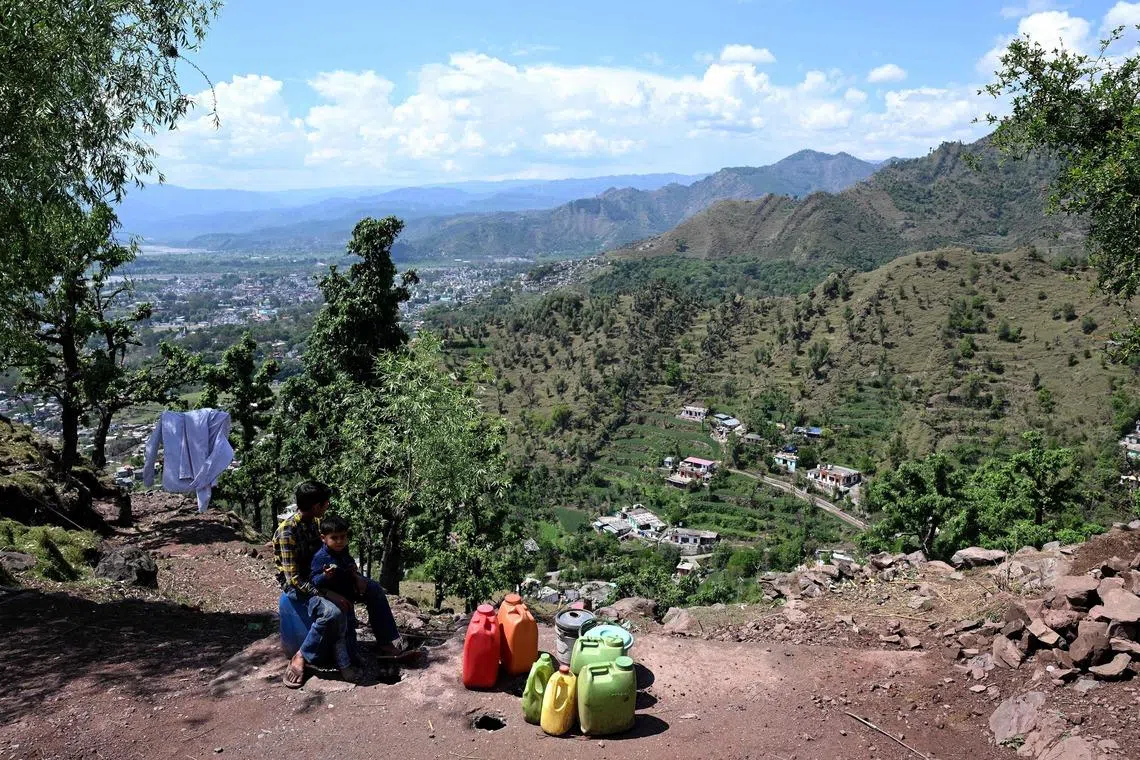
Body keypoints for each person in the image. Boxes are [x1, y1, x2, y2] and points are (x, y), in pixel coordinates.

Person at [273, 481, 405, 688]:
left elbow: (339, 554)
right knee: (332, 613)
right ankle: (301, 656)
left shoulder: (319, 525)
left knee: (374, 589)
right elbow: (294, 579)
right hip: (302, 587)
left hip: (326, 577)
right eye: (325, 503)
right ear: (316, 505)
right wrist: (327, 593)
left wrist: (356, 577)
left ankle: (386, 642)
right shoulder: (287, 532)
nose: (327, 506)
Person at [309, 514, 362, 680]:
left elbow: (348, 564)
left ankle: (353, 656)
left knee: (351, 629)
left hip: (347, 598)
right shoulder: (321, 558)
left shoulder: (343, 552)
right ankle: (344, 666)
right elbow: (314, 581)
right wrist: (325, 577)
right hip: (332, 601)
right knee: (340, 633)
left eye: (343, 537)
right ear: (324, 538)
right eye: (335, 538)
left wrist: (352, 570)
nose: (339, 541)